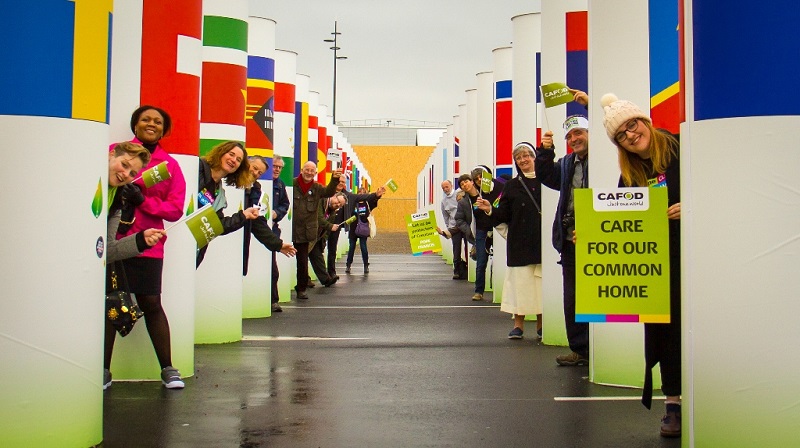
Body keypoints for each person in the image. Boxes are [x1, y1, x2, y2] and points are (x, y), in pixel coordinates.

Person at [601, 93, 682, 438]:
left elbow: (725, 188)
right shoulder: (630, 174)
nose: (631, 134)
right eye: (621, 134)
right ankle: (673, 404)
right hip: (657, 264)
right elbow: (622, 219)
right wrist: (593, 238)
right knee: (663, 333)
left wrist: (693, 205)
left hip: (699, 255)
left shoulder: (681, 147)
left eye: (632, 125)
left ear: (644, 121)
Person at [111, 105, 187, 390]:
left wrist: (144, 201)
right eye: (145, 119)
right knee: (110, 304)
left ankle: (168, 368)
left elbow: (175, 209)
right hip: (113, 241)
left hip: (148, 244)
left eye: (157, 121)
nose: (151, 124)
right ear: (135, 124)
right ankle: (103, 371)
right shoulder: (116, 151)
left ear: (163, 129)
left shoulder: (169, 166)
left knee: (151, 303)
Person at [535, 95, 591, 366]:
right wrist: (546, 151)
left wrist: (589, 103)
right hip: (570, 240)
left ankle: (603, 348)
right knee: (573, 298)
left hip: (600, 237)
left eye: (579, 132)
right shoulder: (568, 163)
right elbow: (547, 176)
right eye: (570, 136)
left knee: (600, 294)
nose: (574, 139)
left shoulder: (604, 157)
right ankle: (580, 349)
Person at [477, 143, 543, 339]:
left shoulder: (547, 181)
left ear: (534, 157)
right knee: (519, 285)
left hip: (542, 243)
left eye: (526, 156)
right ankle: (518, 325)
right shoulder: (511, 186)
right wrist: (489, 208)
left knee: (541, 286)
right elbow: (502, 213)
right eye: (519, 158)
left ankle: (541, 325)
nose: (523, 160)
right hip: (519, 244)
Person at [196, 141, 260, 267]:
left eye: (238, 160)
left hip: (195, 249)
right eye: (231, 154)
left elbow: (216, 227)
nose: (233, 160)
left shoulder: (219, 193)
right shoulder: (198, 167)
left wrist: (243, 216)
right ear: (221, 152)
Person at [242, 155, 296, 281]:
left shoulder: (259, 188)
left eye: (259, 172)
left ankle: (273, 298)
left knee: (272, 270)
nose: (255, 173)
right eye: (254, 168)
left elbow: (258, 222)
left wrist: (278, 244)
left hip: (267, 231)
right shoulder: (232, 183)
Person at [293, 162, 341, 299]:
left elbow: (329, 192)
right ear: (301, 170)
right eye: (307, 170)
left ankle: (301, 288)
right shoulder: (292, 184)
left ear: (315, 173)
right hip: (291, 228)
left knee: (302, 262)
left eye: (312, 171)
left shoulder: (317, 188)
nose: (309, 172)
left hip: (306, 232)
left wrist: (334, 179)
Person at [455, 168, 501, 301]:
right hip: (480, 232)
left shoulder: (486, 192)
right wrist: (469, 231)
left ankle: (498, 286)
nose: (465, 185)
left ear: (472, 182)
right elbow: (459, 219)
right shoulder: (464, 201)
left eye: (467, 181)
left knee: (500, 260)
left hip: (496, 229)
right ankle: (478, 291)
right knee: (481, 262)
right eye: (462, 184)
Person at [329, 176, 384, 278]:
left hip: (360, 229)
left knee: (334, 249)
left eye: (343, 182)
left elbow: (370, 200)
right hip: (342, 227)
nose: (341, 183)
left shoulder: (351, 197)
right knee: (349, 248)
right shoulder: (328, 192)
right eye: (339, 181)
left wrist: (376, 195)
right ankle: (347, 265)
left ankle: (332, 273)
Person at [308, 192, 345, 286]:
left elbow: (326, 232)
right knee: (302, 258)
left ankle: (326, 279)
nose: (338, 205)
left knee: (318, 257)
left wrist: (323, 242)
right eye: (338, 201)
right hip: (306, 232)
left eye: (340, 205)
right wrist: (330, 226)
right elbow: (318, 217)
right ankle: (304, 280)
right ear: (333, 196)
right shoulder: (321, 200)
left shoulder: (332, 213)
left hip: (316, 237)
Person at [270, 156, 291, 312]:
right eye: (274, 166)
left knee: (273, 268)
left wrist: (277, 213)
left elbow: (285, 204)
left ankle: (273, 300)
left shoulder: (280, 185)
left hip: (272, 229)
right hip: (253, 227)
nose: (277, 169)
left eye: (279, 167)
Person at [436, 180, 467, 280]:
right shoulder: (444, 202)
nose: (445, 189)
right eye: (443, 188)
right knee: (456, 249)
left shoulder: (460, 194)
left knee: (468, 247)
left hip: (464, 225)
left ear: (451, 185)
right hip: (454, 228)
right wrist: (449, 228)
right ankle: (457, 270)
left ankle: (468, 268)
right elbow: (446, 217)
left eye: (447, 187)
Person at [345, 187, 379, 274]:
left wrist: (378, 195)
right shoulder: (353, 202)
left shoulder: (367, 203)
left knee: (363, 246)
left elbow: (374, 201)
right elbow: (348, 214)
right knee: (351, 247)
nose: (361, 195)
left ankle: (366, 265)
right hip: (353, 228)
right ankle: (348, 265)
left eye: (363, 193)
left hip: (363, 227)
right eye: (360, 193)